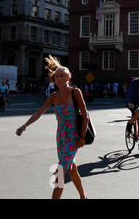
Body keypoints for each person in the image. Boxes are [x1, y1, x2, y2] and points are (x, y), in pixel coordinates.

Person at [16, 55, 89, 199]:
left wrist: (82, 137)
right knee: (72, 169)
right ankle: (83, 197)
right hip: (61, 137)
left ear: (68, 78)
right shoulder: (53, 96)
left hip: (73, 137)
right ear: (54, 80)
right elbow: (38, 113)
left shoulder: (75, 92)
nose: (59, 78)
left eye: (62, 75)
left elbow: (85, 115)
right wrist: (24, 126)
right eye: (56, 76)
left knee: (60, 173)